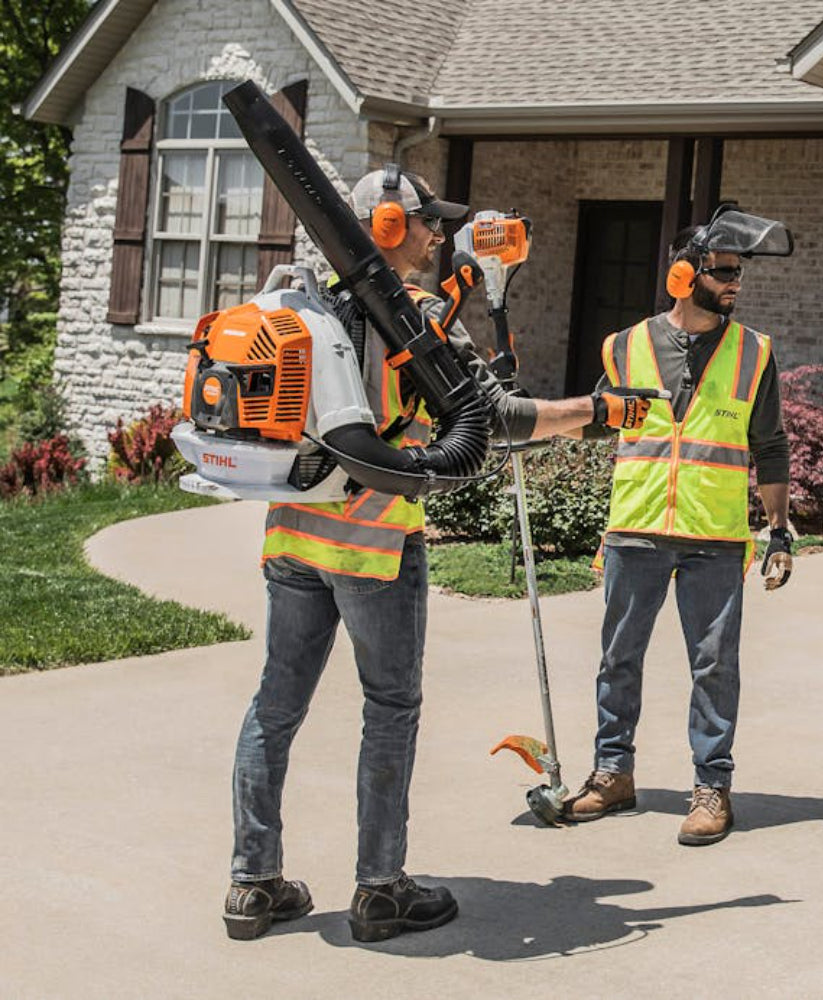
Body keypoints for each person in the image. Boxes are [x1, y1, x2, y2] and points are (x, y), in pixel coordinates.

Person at [223, 165, 650, 943]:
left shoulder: (296, 302)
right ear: (388, 228)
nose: (438, 235)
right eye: (426, 222)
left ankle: (252, 884)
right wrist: (600, 409)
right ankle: (380, 888)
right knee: (389, 710)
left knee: (274, 710)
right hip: (376, 545)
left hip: (292, 532)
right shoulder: (412, 318)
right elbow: (501, 420)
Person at [562, 214, 795, 846]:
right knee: (618, 658)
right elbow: (595, 420)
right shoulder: (624, 346)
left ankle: (712, 786)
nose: (735, 283)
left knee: (714, 665)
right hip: (635, 526)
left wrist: (778, 532)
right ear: (683, 274)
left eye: (739, 272)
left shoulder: (754, 352)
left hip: (715, 536)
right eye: (724, 270)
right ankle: (613, 773)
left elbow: (769, 447)